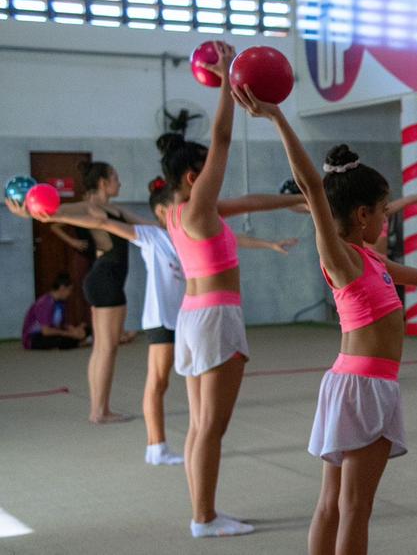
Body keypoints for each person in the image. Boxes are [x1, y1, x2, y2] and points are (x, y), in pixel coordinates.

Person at [229, 86, 417, 555]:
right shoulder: (341, 256)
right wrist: (278, 118)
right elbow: (311, 186)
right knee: (352, 506)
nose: (387, 219)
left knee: (336, 504)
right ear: (363, 213)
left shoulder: (371, 259)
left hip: (360, 383)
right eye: (384, 211)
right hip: (363, 386)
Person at [14, 177, 297, 466]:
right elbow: (102, 223)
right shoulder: (151, 236)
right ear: (162, 212)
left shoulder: (189, 235)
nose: (187, 207)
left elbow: (232, 239)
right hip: (162, 319)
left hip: (186, 319)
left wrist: (270, 244)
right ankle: (156, 446)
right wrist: (53, 216)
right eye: (180, 203)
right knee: (158, 381)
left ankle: (199, 441)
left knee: (194, 385)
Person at [160, 41, 307, 537]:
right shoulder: (198, 206)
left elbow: (249, 201)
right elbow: (221, 139)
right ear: (191, 176)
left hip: (193, 317)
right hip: (215, 318)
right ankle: (204, 517)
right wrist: (226, 80)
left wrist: (298, 201)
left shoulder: (179, 213)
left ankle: (202, 512)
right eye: (205, 173)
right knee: (211, 428)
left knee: (200, 425)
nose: (214, 177)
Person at [45, 161, 154, 423]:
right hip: (106, 279)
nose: (120, 183)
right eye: (116, 178)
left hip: (104, 280)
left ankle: (98, 409)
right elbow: (54, 213)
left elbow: (150, 226)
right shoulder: (89, 207)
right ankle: (100, 411)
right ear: (104, 183)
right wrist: (28, 206)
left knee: (102, 347)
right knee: (107, 348)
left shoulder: (116, 210)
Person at [21, 273, 87, 350]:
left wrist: (74, 329)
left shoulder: (60, 303)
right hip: (35, 337)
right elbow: (46, 331)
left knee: (85, 330)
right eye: (69, 290)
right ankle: (78, 342)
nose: (70, 293)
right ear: (62, 288)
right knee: (61, 340)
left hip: (52, 332)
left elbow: (61, 325)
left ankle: (77, 341)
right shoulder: (44, 303)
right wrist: (70, 334)